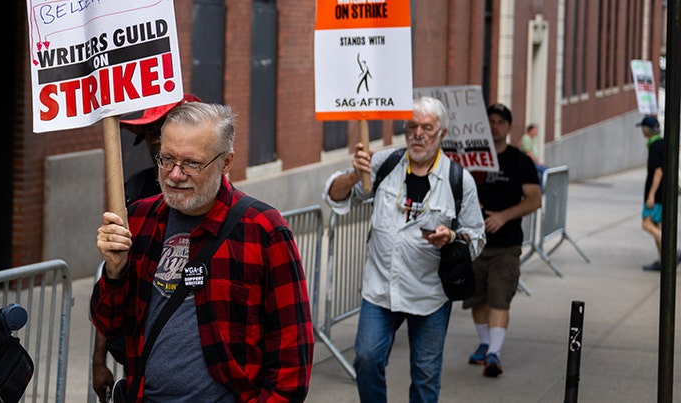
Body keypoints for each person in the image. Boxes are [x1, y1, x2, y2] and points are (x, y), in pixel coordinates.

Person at [91, 102, 314, 402]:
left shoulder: (262, 229)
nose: (175, 174)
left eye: (192, 164)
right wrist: (114, 272)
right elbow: (108, 322)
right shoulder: (140, 219)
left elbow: (292, 355)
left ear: (225, 162)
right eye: (166, 159)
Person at [324, 96, 485, 403]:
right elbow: (336, 196)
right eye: (412, 126)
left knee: (425, 378)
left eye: (427, 127)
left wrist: (451, 237)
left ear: (441, 135)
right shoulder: (384, 164)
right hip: (381, 290)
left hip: (430, 295)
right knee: (367, 360)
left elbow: (476, 237)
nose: (418, 134)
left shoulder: (457, 180)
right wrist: (354, 175)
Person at [91, 93, 198, 402]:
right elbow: (113, 277)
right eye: (151, 133)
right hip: (139, 356)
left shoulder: (240, 217)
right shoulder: (134, 195)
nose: (157, 142)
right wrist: (99, 361)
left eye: (163, 129)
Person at [463, 103, 542, 378]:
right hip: (473, 243)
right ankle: (484, 344)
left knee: (499, 297)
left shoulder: (520, 161)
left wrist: (503, 216)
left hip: (505, 245)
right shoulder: (470, 158)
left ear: (508, 127)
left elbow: (534, 199)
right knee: (477, 298)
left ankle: (494, 354)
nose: (494, 125)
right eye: (490, 121)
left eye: (499, 121)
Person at [637, 114, 670, 272]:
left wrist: (651, 195)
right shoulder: (660, 144)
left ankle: (670, 250)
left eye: (643, 128)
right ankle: (662, 260)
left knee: (647, 224)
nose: (642, 132)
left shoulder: (656, 146)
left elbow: (658, 172)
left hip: (655, 195)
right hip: (661, 193)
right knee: (656, 225)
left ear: (647, 130)